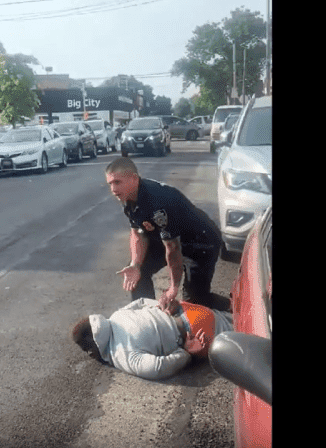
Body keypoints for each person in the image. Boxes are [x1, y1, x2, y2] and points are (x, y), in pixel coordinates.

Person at [105, 157, 223, 314]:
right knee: (138, 273)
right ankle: (148, 316)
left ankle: (235, 306)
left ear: (134, 178)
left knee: (194, 301)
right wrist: (135, 264)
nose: (113, 189)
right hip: (170, 237)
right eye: (110, 183)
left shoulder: (157, 201)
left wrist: (173, 287)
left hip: (201, 242)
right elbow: (137, 234)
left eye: (117, 182)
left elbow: (172, 248)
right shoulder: (127, 197)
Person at [70, 298, 234, 380]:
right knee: (240, 317)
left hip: (197, 333)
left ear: (93, 345)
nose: (89, 355)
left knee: (242, 340)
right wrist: (162, 306)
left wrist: (186, 352)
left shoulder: (121, 353)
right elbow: (141, 301)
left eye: (87, 350)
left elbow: (157, 368)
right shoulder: (116, 316)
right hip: (188, 310)